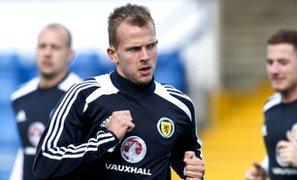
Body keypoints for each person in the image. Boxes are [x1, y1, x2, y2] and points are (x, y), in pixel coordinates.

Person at [33, 3, 205, 180]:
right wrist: (108, 138)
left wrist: (192, 171)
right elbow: (44, 164)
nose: (145, 56)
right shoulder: (85, 95)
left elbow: (187, 160)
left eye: (151, 46)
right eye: (134, 49)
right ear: (113, 54)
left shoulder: (180, 105)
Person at [10, 23, 82, 180]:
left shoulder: (83, 96)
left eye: (55, 47)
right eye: (42, 46)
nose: (47, 53)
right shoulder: (20, 96)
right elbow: (25, 149)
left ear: (70, 54)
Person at [245, 29, 297, 180]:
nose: (274, 70)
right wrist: (265, 170)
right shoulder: (270, 106)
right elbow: (276, 153)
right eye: (270, 62)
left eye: (283, 62)